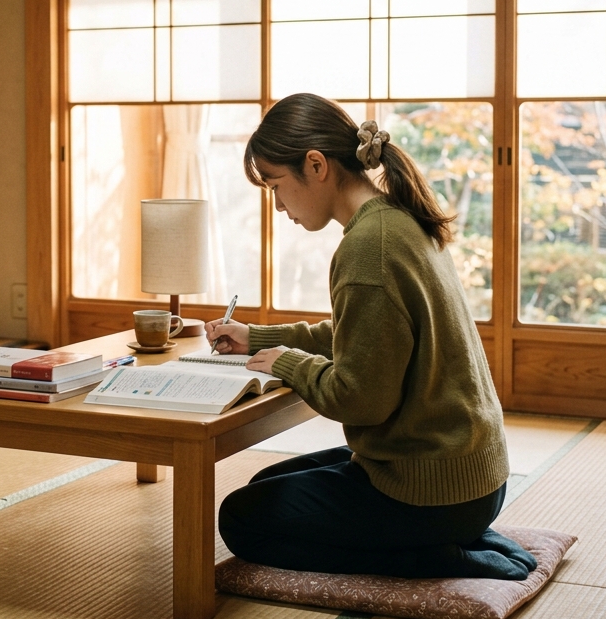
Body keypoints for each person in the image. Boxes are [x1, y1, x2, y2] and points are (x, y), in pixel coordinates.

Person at [205, 93, 536, 580]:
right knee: (270, 482)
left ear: (315, 165)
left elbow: (362, 401)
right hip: (471, 474)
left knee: (242, 520)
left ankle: (436, 555)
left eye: (276, 186)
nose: (278, 207)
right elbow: (362, 337)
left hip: (429, 491)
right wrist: (256, 337)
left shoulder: (368, 247)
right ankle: (457, 533)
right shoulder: (397, 216)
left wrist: (289, 364)